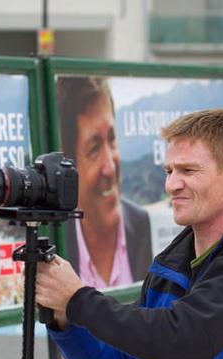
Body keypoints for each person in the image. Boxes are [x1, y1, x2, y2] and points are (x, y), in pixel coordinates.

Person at [37, 109, 223, 359]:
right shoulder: (168, 266)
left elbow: (186, 341)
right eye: (169, 171)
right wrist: (65, 319)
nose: (172, 185)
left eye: (188, 170)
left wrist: (78, 300)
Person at [56, 76, 152, 287]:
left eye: (112, 138)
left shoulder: (141, 226)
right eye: (94, 148)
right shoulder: (55, 242)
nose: (110, 167)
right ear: (68, 165)